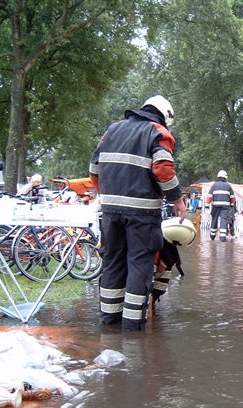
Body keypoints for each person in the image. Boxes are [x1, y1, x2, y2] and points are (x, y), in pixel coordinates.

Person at [89, 95, 186, 331]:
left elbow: (94, 168)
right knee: (139, 264)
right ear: (163, 116)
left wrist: (108, 196)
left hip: (110, 211)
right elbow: (162, 168)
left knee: (113, 262)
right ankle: (132, 329)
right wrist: (176, 198)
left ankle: (109, 324)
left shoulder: (112, 130)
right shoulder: (158, 132)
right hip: (142, 214)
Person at [206, 170, 235, 242]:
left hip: (215, 205)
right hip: (225, 206)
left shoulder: (214, 185)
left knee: (214, 219)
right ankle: (222, 238)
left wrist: (207, 205)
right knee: (224, 220)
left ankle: (212, 236)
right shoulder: (228, 185)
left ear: (218, 177)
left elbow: (209, 196)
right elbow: (232, 197)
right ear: (225, 177)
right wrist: (232, 205)